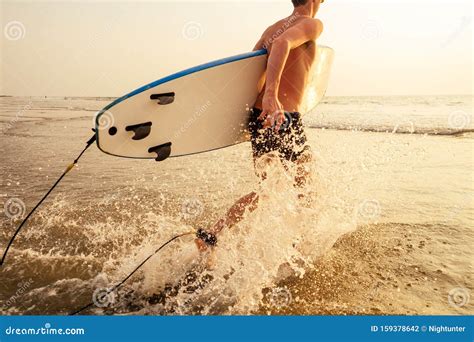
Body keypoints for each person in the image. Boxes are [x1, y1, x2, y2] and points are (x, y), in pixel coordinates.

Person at [195, 0, 325, 252]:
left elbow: (248, 70)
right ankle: (301, 251)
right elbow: (282, 44)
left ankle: (212, 235)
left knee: (267, 190)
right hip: (282, 116)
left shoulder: (271, 29)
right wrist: (271, 95)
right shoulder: (312, 24)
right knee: (306, 187)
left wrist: (253, 113)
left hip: (261, 117)